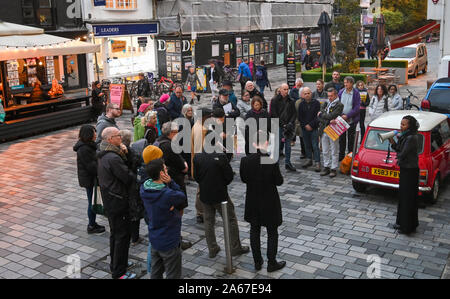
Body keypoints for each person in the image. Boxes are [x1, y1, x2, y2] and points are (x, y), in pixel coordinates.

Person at [193, 136, 250, 259]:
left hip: (205, 194)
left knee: (209, 221)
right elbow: (229, 176)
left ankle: (212, 248)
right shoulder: (221, 157)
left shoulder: (197, 156)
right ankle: (235, 247)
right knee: (230, 219)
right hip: (220, 194)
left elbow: (196, 176)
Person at [240, 131, 285, 272]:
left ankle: (257, 262)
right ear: (266, 143)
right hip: (269, 201)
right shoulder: (270, 160)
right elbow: (279, 181)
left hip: (253, 200)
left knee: (255, 230)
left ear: (253, 144)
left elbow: (244, 179)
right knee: (272, 232)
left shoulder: (245, 161)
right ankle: (271, 263)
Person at [97, 127, 136, 279]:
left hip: (111, 199)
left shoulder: (105, 152)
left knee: (115, 235)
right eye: (117, 136)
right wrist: (128, 159)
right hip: (118, 200)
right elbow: (128, 176)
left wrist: (125, 152)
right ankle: (119, 272)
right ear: (109, 140)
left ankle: (117, 265)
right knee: (122, 236)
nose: (121, 137)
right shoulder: (113, 158)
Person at [140, 159, 186, 279]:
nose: (167, 170)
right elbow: (181, 197)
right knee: (173, 274)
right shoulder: (167, 194)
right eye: (165, 169)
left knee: (156, 271)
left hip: (154, 237)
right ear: (161, 173)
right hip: (169, 240)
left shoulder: (144, 188)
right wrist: (171, 182)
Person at [389, 115, 420, 235]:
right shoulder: (405, 136)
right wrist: (392, 140)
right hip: (405, 169)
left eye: (403, 124)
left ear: (410, 126)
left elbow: (402, 153)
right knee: (403, 197)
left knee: (408, 198)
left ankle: (407, 226)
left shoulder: (411, 137)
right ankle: (401, 222)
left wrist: (398, 157)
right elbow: (398, 148)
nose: (401, 126)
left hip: (410, 171)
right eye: (401, 124)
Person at [73, 125, 105, 234]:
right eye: (94, 132)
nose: (96, 134)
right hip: (89, 180)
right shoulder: (84, 149)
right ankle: (91, 225)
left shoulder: (89, 145)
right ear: (88, 134)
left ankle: (93, 223)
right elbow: (91, 167)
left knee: (92, 200)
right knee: (92, 201)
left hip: (91, 178)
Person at [120, 130, 145, 246]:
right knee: (134, 212)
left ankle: (130, 235)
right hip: (132, 187)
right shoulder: (132, 152)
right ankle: (134, 238)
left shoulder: (118, 153)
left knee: (127, 212)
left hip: (123, 188)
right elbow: (139, 162)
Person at [191, 107, 213, 224]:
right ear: (204, 117)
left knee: (202, 188)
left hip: (200, 162)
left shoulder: (199, 126)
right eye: (209, 116)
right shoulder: (200, 129)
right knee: (201, 189)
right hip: (202, 164)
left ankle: (202, 211)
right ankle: (201, 212)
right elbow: (200, 150)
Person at [270, 83, 297, 171]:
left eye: (287, 89)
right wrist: (283, 124)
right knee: (277, 145)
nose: (286, 91)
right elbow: (274, 114)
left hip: (288, 126)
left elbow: (294, 114)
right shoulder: (274, 100)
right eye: (284, 89)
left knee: (288, 146)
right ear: (280, 90)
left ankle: (288, 163)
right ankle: (276, 164)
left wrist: (290, 123)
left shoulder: (291, 100)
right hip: (278, 125)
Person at [318, 88, 344, 178]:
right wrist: (325, 117)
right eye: (328, 96)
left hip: (333, 129)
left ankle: (333, 168)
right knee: (325, 150)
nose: (329, 97)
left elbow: (331, 115)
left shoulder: (339, 105)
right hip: (324, 129)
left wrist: (322, 115)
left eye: (331, 96)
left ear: (336, 95)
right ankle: (326, 166)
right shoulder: (325, 103)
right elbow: (321, 116)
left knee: (334, 150)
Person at [337, 76, 360, 161]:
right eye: (344, 82)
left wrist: (348, 116)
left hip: (351, 120)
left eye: (347, 82)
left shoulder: (356, 93)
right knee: (341, 139)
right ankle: (341, 155)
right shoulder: (341, 92)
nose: (345, 84)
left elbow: (357, 107)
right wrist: (342, 115)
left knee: (351, 139)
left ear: (351, 83)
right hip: (341, 120)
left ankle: (350, 156)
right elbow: (337, 104)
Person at [298, 87, 321, 172]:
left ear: (311, 93)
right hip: (305, 128)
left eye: (308, 93)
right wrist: (305, 125)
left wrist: (311, 125)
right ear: (302, 95)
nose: (307, 95)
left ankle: (317, 162)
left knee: (315, 146)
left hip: (314, 128)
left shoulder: (316, 103)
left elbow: (318, 117)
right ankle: (309, 159)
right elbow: (300, 117)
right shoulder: (301, 104)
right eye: (305, 93)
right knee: (307, 145)